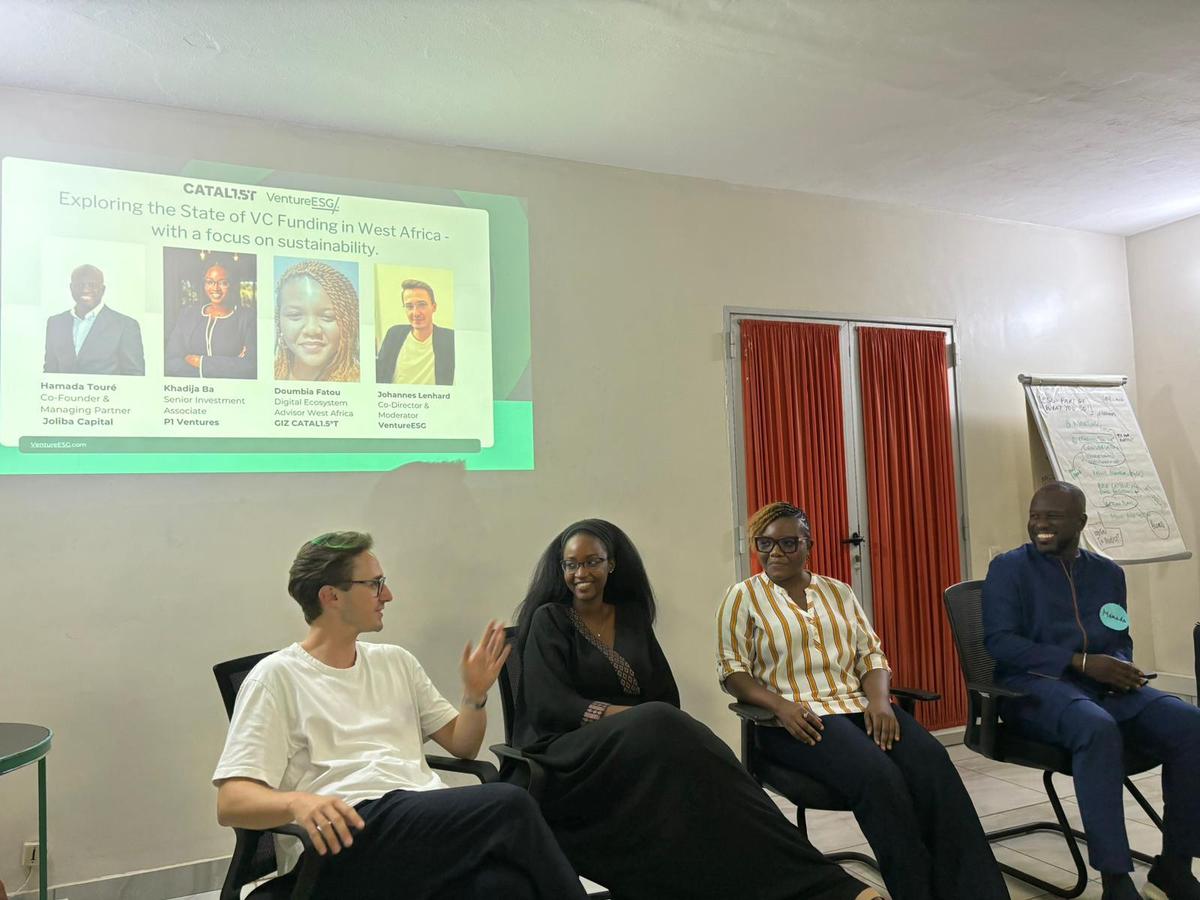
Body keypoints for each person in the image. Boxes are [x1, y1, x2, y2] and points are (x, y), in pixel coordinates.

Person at [513, 518, 881, 900]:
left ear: (612, 564)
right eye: (571, 565)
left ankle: (828, 887)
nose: (581, 573)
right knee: (665, 724)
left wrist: (642, 723)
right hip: (565, 758)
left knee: (724, 797)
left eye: (592, 561)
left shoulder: (632, 618)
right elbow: (550, 706)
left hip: (635, 754)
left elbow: (664, 696)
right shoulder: (550, 619)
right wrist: (632, 719)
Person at [213, 531, 585, 900]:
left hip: (412, 823)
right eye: (375, 585)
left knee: (505, 888)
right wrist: (298, 803)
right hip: (347, 832)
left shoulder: (395, 661)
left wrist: (474, 696)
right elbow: (231, 802)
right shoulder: (276, 677)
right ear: (331, 596)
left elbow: (464, 745)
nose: (387, 596)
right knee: (510, 803)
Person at [717, 502, 1007, 900]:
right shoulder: (743, 596)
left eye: (788, 542)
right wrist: (781, 707)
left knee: (933, 764)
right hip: (795, 721)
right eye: (764, 544)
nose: (775, 553)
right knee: (878, 776)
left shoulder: (839, 591)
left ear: (809, 544)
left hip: (858, 706)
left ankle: (978, 892)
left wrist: (881, 702)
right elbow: (733, 672)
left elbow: (871, 656)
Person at [984, 482, 1200, 900]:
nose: (1040, 525)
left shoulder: (1108, 573)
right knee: (1096, 728)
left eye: (1052, 517)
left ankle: (1175, 865)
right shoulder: (1009, 569)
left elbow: (1119, 633)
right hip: (1032, 689)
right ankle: (1116, 879)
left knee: (1190, 724)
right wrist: (1080, 663)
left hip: (1102, 688)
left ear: (1081, 522)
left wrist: (1119, 665)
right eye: (1034, 515)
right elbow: (1000, 643)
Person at [44, 264, 145, 375]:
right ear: (71, 288)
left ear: (102, 289)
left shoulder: (125, 325)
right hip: (64, 393)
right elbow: (50, 371)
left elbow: (135, 376)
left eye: (92, 285)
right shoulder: (55, 323)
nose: (85, 290)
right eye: (80, 285)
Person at [164, 262, 255, 378]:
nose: (216, 288)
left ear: (232, 285)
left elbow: (250, 366)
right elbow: (171, 361)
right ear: (204, 285)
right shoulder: (187, 315)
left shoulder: (246, 318)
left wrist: (200, 362)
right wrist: (230, 364)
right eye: (210, 282)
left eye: (223, 283)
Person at [274, 261, 361, 382]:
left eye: (328, 317)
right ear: (279, 321)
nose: (312, 330)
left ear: (349, 322)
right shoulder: (270, 374)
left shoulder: (357, 382)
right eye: (295, 315)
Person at [375, 279, 455, 385]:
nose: (416, 313)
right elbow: (380, 375)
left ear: (434, 307)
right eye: (409, 306)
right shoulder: (394, 334)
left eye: (422, 305)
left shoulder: (450, 339)